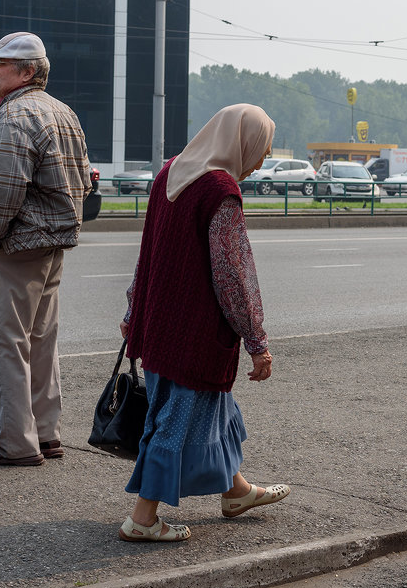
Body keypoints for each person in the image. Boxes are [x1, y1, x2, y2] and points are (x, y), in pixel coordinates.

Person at [119, 103, 289, 542]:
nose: (261, 161)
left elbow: (148, 251)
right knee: (174, 421)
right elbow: (234, 276)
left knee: (214, 410)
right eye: (261, 150)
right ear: (241, 143)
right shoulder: (218, 189)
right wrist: (257, 341)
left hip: (158, 321)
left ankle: (237, 492)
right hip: (192, 332)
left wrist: (133, 309)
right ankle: (142, 519)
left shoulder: (170, 173)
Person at [0, 31, 93, 465]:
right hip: (51, 243)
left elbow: (2, 192)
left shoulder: (13, 117)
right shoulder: (62, 112)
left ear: (28, 72)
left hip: (13, 246)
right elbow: (83, 180)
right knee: (41, 340)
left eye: (0, 62)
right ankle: (45, 433)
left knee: (5, 342)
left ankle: (15, 444)